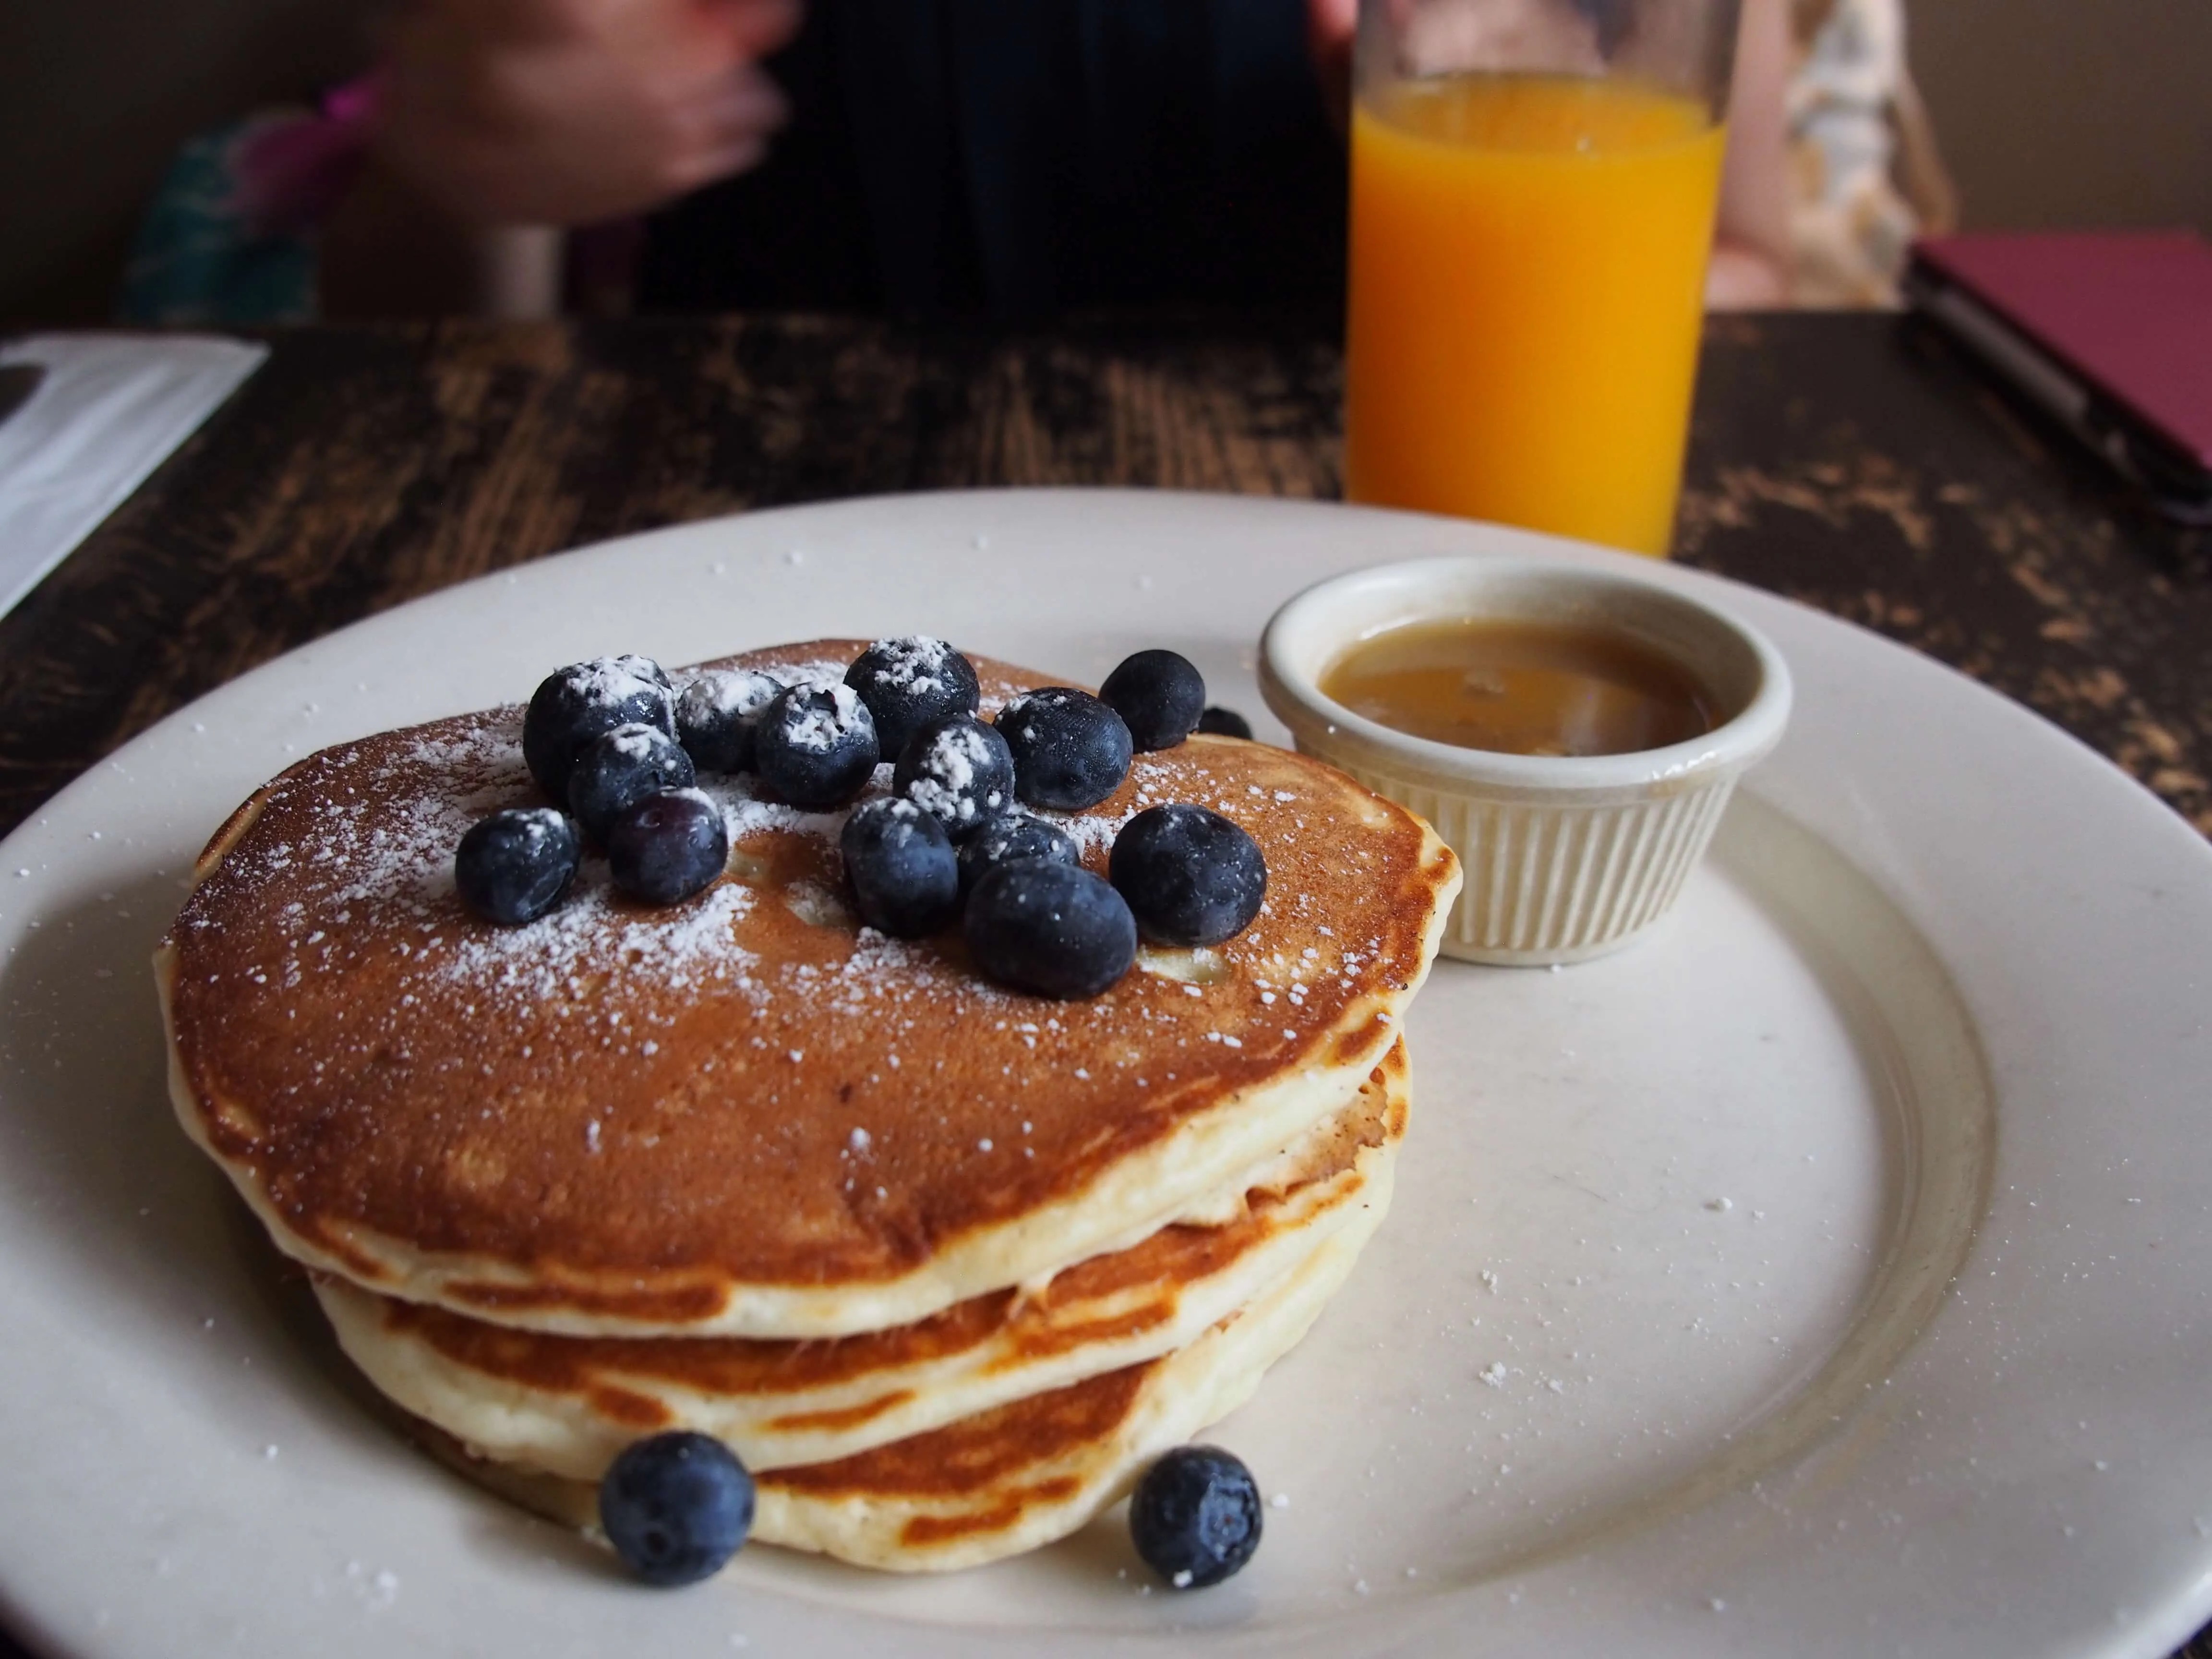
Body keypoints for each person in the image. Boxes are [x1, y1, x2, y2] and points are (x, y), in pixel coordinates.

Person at [132, 0, 1871, 323]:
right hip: (756, 583)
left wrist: (1525, 126)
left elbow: (1756, 270)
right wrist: (463, 168)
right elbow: (415, 317)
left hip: (1368, 577)